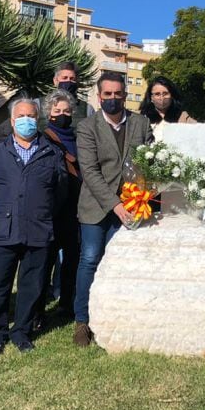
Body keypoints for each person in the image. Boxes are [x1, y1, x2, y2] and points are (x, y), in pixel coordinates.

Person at [0, 98, 67, 355]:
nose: (27, 120)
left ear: (37, 119)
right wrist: (5, 210)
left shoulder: (52, 152)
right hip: (3, 230)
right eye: (21, 116)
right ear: (12, 121)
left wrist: (40, 211)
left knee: (32, 285)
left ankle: (22, 332)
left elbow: (59, 191)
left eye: (31, 116)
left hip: (38, 228)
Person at [73, 71, 152, 347]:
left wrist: (143, 196)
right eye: (107, 94)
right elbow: (90, 172)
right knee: (91, 260)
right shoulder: (87, 127)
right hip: (96, 207)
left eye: (118, 94)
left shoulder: (141, 124)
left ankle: (113, 316)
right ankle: (82, 321)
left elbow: (151, 161)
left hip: (133, 207)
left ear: (125, 95)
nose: (113, 99)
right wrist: (115, 204)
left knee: (119, 264)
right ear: (99, 96)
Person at [35, 87, 82, 325]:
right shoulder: (43, 138)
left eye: (66, 110)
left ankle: (66, 304)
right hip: (52, 210)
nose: (62, 114)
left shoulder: (79, 138)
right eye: (56, 110)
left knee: (72, 259)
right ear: (48, 113)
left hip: (75, 209)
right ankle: (38, 308)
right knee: (46, 259)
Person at [53, 61, 93, 128]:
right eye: (64, 78)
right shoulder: (39, 105)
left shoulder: (87, 109)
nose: (68, 81)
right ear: (55, 81)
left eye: (72, 79)